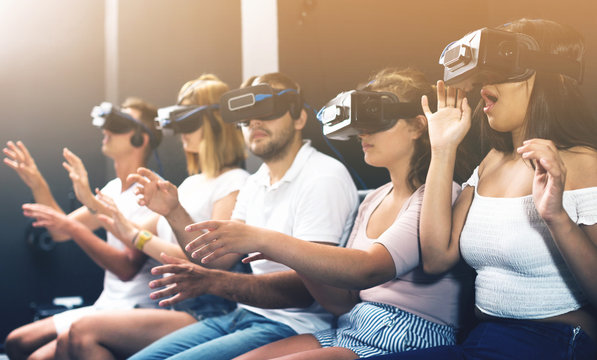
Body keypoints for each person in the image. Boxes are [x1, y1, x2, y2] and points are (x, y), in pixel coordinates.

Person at [180, 68, 474, 359]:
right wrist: (288, 254)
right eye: (361, 122)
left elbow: (369, 268)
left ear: (418, 127)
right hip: (352, 324)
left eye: (376, 120)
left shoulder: (438, 195)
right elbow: (341, 301)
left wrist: (270, 241)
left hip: (406, 334)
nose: (363, 132)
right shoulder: (373, 199)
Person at [364, 19, 597, 359]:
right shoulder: (491, 162)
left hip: (554, 341)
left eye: (500, 70)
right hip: (483, 338)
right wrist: (443, 150)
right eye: (483, 75)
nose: (482, 86)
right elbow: (436, 257)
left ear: (545, 75)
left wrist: (555, 216)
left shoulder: (585, 165)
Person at [128, 72, 359, 360]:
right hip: (243, 315)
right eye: (247, 114)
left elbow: (305, 290)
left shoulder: (322, 177)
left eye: (267, 110)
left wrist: (212, 282)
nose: (255, 121)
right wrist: (174, 211)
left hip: (293, 325)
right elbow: (218, 256)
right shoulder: (256, 181)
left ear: (299, 118)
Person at [60, 74, 250, 360]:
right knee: (69, 342)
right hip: (175, 307)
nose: (181, 133)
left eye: (188, 122)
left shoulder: (235, 181)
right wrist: (96, 205)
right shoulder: (191, 184)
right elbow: (132, 232)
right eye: (178, 123)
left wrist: (139, 234)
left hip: (207, 311)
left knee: (82, 333)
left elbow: (210, 259)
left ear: (214, 125)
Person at [3, 97, 163, 360]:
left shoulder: (153, 193)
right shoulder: (113, 189)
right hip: (107, 305)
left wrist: (70, 226)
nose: (107, 131)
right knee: (16, 342)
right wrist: (38, 184)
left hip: (137, 310)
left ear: (140, 139)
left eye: (118, 125)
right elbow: (60, 231)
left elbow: (125, 268)